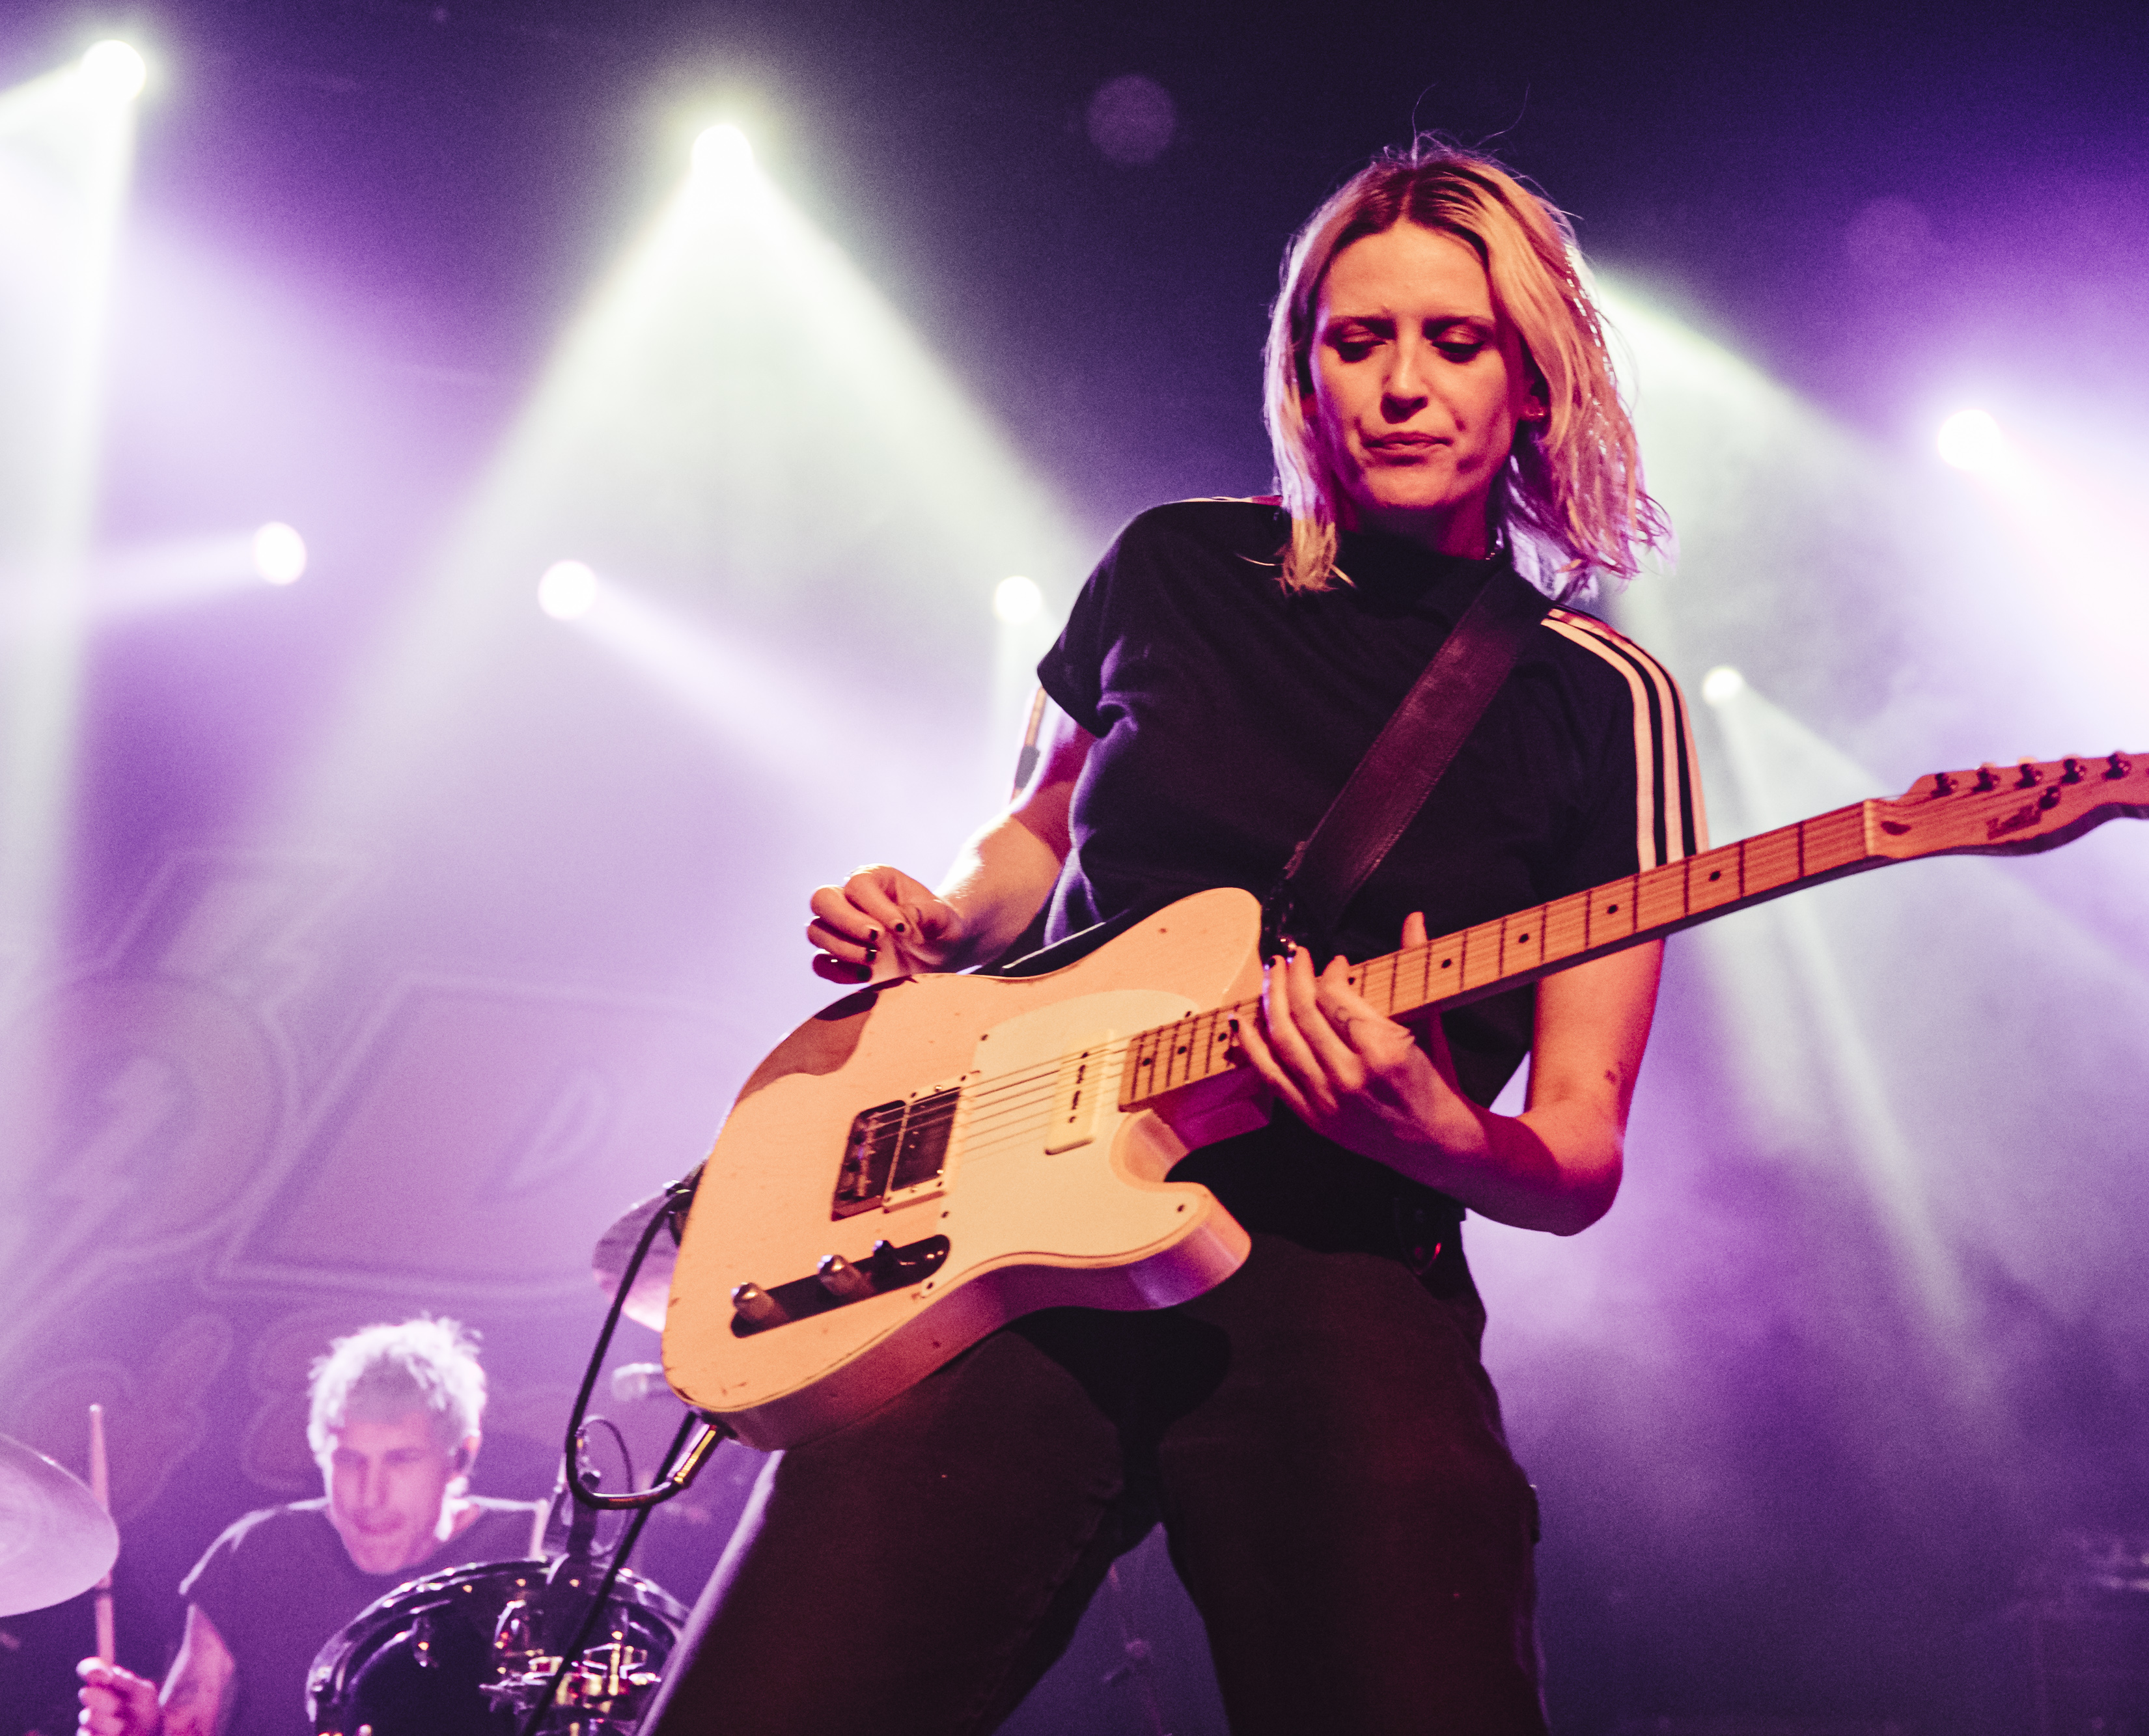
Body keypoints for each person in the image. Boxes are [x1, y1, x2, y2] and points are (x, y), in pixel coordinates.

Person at [643, 140, 1704, 1736]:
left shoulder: (1596, 698)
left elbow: (1573, 1154)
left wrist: (1428, 1131)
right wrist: (936, 916)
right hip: (1006, 1251)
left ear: (1532, 384)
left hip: (1340, 1273)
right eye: (1357, 342)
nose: (1401, 384)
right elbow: (1038, 832)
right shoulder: (1168, 568)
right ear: (1304, 370)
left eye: (1453, 340)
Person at [76, 1319, 541, 1736]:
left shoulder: (535, 1553)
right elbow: (188, 1726)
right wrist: (142, 1731)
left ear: (461, 1455)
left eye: (401, 1459)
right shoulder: (256, 1553)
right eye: (349, 1459)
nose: (370, 1495)